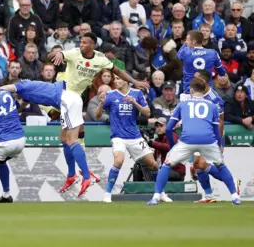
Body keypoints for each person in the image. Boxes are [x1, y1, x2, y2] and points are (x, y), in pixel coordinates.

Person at [48, 32, 149, 191]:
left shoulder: (100, 59)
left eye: (84, 43)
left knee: (70, 140)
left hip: (72, 99)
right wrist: (58, 52)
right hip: (66, 98)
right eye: (80, 42)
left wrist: (135, 81)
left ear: (92, 45)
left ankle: (83, 175)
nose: (81, 45)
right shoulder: (73, 53)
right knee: (66, 138)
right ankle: (74, 174)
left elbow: (118, 71)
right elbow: (50, 56)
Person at [148, 78, 240, 206]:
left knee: (167, 164)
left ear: (191, 89)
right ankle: (235, 196)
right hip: (208, 140)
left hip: (188, 140)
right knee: (221, 165)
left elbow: (168, 128)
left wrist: (172, 146)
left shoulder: (183, 104)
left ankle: (156, 196)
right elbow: (216, 129)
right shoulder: (212, 106)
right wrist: (218, 145)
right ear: (204, 90)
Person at [96, 75, 169, 203]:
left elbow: (147, 113)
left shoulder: (137, 93)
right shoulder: (111, 95)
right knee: (118, 161)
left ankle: (161, 193)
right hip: (118, 136)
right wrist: (101, 102)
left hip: (134, 136)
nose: (116, 81)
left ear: (126, 81)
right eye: (116, 79)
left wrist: (135, 103)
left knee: (153, 165)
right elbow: (97, 116)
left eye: (118, 79)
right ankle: (107, 194)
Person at [177, 30, 226, 95]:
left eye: (187, 40)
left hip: (189, 91)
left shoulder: (186, 52)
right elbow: (222, 73)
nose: (186, 42)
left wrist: (185, 44)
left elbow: (178, 55)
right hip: (206, 91)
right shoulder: (212, 53)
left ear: (194, 41)